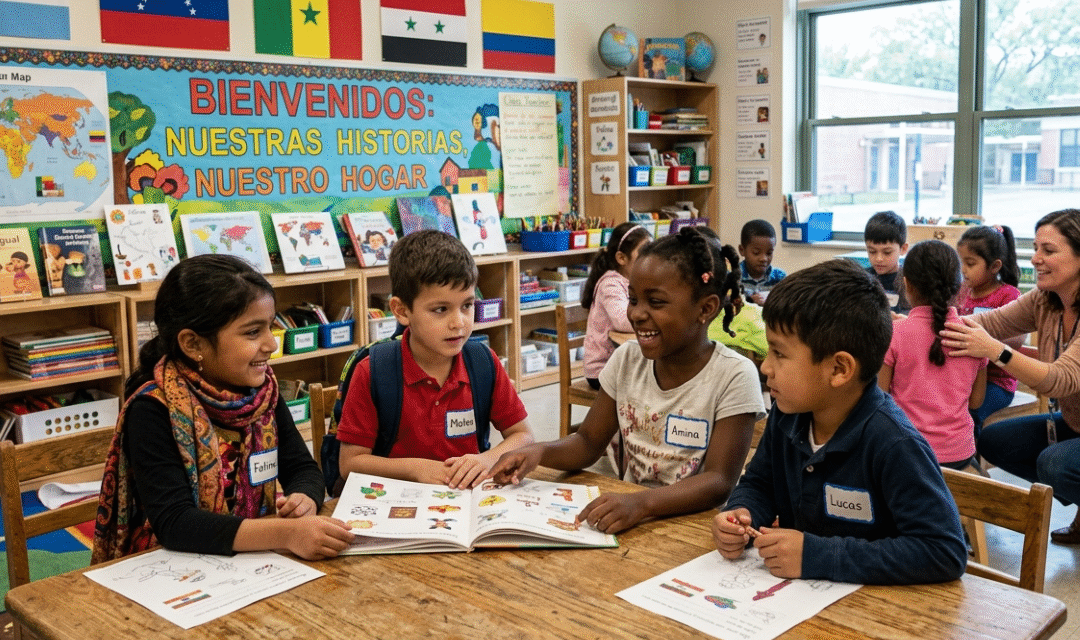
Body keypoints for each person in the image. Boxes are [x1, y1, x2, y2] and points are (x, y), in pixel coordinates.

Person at [487, 227, 766, 534]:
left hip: (694, 528)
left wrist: (642, 504)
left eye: (655, 302)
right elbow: (588, 441)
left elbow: (719, 481)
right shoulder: (626, 359)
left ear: (706, 309)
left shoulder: (734, 376)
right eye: (633, 299)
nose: (637, 314)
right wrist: (539, 452)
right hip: (630, 518)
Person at [713, 259, 967, 584]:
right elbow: (761, 484)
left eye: (779, 354)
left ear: (838, 370)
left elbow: (943, 551)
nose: (766, 367)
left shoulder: (893, 442)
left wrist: (816, 556)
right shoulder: (787, 414)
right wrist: (742, 512)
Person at [92, 255, 355, 562]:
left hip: (254, 557)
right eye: (253, 332)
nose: (271, 343)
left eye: (270, 327)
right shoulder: (152, 410)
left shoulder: (263, 394)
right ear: (193, 344)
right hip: (171, 563)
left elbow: (302, 468)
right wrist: (286, 534)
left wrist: (305, 498)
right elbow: (175, 523)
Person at [336, 230, 534, 489]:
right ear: (402, 310)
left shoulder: (483, 362)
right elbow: (349, 464)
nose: (459, 323)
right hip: (398, 504)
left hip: (466, 503)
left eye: (467, 305)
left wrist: (487, 459)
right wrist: (417, 468)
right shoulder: (374, 371)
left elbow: (524, 435)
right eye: (440, 310)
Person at [941, 208, 1080, 545]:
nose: (1035, 259)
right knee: (994, 440)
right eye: (1034, 249)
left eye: (1048, 251)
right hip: (1074, 424)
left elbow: (1060, 379)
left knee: (1054, 465)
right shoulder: (1045, 300)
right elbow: (991, 324)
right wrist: (922, 320)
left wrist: (995, 351)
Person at [879, 240, 987, 469]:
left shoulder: (895, 334)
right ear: (958, 287)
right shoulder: (975, 336)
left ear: (906, 283)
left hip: (908, 452)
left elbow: (880, 397)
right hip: (960, 453)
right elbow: (976, 402)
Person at [955, 225, 1023, 437]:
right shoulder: (961, 291)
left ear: (994, 267)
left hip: (997, 382)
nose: (963, 270)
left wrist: (983, 340)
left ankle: (967, 465)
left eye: (970, 263)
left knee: (968, 415)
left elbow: (1017, 340)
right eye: (960, 263)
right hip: (963, 377)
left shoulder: (1008, 295)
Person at [581, 221, 652, 390]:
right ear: (621, 258)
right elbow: (622, 320)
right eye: (643, 253)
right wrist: (654, 317)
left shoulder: (637, 281)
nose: (649, 259)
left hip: (623, 363)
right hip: (602, 370)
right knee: (654, 384)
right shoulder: (611, 284)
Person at [864, 210, 910, 315]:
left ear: (903, 249)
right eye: (872, 251)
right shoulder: (862, 279)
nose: (878, 258)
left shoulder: (910, 281)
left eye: (887, 252)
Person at [738, 219, 786, 305]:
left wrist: (771, 299)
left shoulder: (779, 278)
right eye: (756, 253)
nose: (764, 258)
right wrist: (748, 301)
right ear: (742, 250)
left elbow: (788, 305)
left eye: (769, 253)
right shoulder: (733, 276)